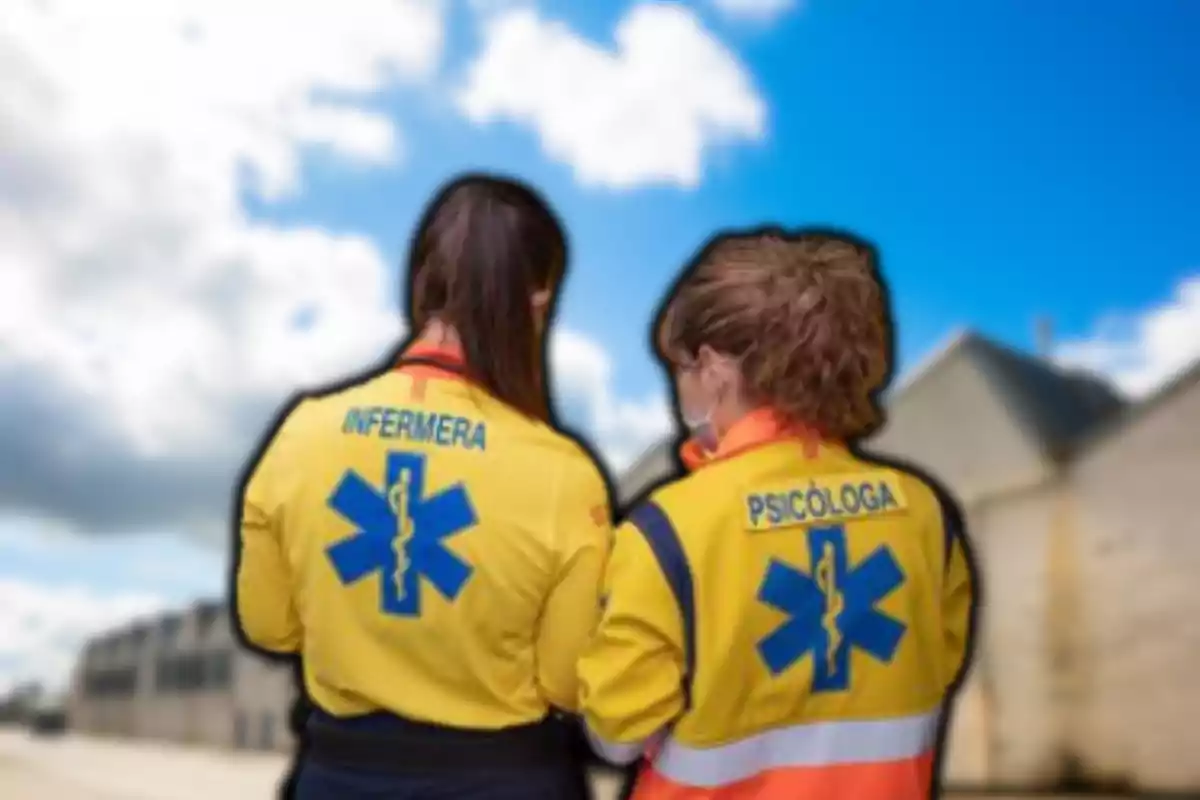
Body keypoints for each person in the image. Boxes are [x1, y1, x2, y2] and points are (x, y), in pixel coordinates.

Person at [233, 174, 612, 799]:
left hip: (339, 780)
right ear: (538, 299)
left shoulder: (302, 434)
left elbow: (269, 627)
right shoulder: (564, 472)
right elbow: (565, 681)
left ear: (422, 284)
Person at [577, 229, 977, 799]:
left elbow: (616, 732)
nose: (679, 390)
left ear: (715, 369)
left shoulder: (668, 531)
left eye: (682, 369)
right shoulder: (923, 518)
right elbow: (936, 669)